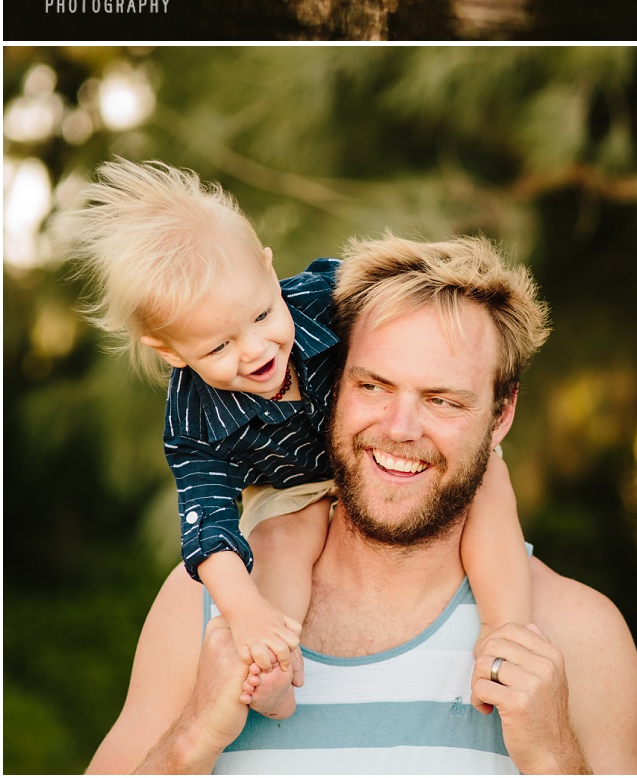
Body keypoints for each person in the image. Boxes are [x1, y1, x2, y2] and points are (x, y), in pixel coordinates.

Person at [87, 231, 637, 776]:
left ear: (501, 416)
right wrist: (192, 739)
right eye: (373, 386)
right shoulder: (207, 608)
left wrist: (553, 760)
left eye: (442, 400)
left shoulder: (580, 635)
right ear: (333, 379)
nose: (400, 428)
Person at [67, 169, 534, 727]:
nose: (256, 348)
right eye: (218, 345)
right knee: (282, 539)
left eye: (262, 315)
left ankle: (508, 634)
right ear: (169, 351)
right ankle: (272, 670)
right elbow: (207, 527)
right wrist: (244, 613)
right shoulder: (193, 424)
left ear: (268, 268)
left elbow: (407, 315)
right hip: (291, 483)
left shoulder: (321, 297)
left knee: (489, 483)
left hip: (374, 444)